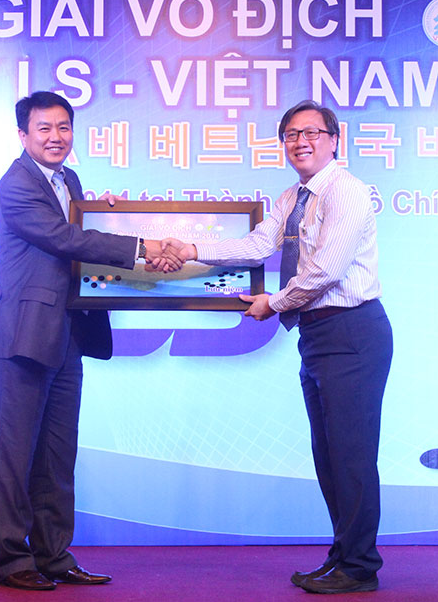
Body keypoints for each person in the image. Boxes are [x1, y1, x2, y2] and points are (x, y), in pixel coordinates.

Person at [162, 100, 393, 594]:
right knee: (329, 455)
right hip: (318, 334)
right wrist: (192, 250)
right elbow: (257, 245)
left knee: (351, 455)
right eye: (291, 134)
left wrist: (275, 302)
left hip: (352, 332)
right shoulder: (293, 196)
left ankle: (360, 566)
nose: (300, 142)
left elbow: (326, 271)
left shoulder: (347, 192)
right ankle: (343, 555)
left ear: (334, 140)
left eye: (312, 133)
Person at [0, 91, 177, 591]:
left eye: (64, 127)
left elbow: (81, 234)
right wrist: (142, 247)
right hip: (23, 334)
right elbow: (65, 239)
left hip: (67, 332)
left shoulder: (68, 180)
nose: (56, 137)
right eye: (44, 128)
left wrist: (106, 218)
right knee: (15, 453)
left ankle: (54, 556)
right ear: (23, 134)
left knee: (57, 452)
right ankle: (13, 562)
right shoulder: (17, 184)